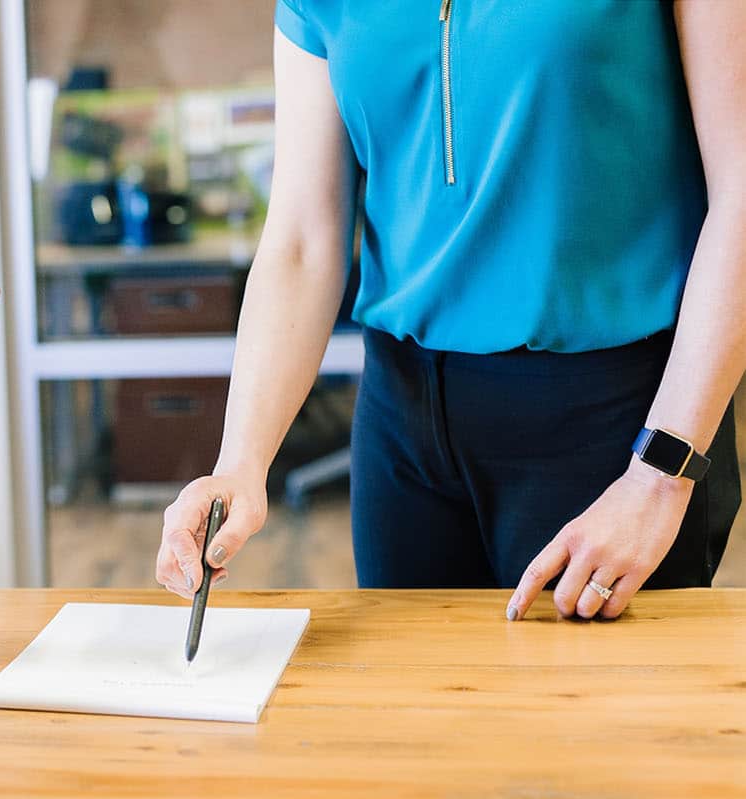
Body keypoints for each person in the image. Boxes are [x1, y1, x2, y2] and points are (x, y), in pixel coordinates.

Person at [156, 1, 744, 620]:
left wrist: (660, 475)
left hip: (615, 421)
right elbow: (302, 239)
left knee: (594, 713)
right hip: (402, 424)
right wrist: (239, 464)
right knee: (417, 709)